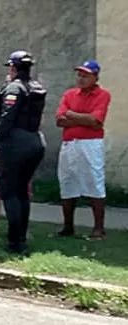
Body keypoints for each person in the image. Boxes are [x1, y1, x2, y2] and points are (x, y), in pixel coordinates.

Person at [0, 50, 47, 254]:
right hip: (35, 140)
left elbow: (6, 118)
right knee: (21, 191)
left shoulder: (14, 88)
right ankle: (21, 237)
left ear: (13, 68)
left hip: (15, 143)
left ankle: (14, 242)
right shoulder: (36, 87)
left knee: (10, 191)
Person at [55, 60, 111, 239]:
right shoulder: (69, 94)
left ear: (95, 77)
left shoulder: (102, 95)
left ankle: (99, 228)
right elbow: (59, 120)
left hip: (90, 143)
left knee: (94, 181)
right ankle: (68, 226)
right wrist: (83, 118)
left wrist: (72, 115)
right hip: (70, 143)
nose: (81, 78)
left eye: (86, 75)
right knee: (67, 181)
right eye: (79, 75)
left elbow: (96, 121)